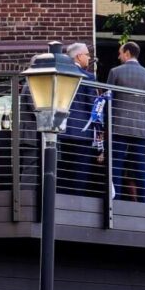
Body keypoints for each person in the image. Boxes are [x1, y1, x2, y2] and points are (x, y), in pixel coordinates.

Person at [108, 41, 145, 202]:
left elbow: (109, 99)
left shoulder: (115, 72)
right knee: (141, 163)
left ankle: (115, 200)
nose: (119, 56)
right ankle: (143, 201)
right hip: (141, 125)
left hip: (119, 124)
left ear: (127, 53)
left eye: (120, 53)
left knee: (116, 164)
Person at [59, 42, 97, 196]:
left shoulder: (61, 74)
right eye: (87, 55)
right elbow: (92, 105)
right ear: (79, 56)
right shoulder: (88, 77)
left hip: (64, 130)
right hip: (83, 131)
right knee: (81, 171)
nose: (89, 58)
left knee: (66, 169)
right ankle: (78, 204)